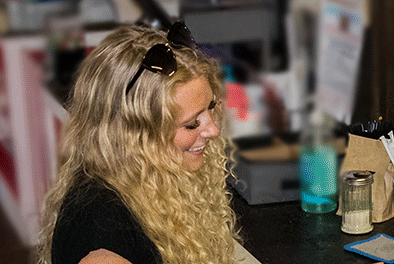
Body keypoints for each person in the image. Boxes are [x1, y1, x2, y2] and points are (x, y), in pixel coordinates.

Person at [36, 24, 250, 264]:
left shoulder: (148, 179)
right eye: (192, 123)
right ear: (135, 134)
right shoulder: (102, 238)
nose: (213, 129)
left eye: (210, 107)